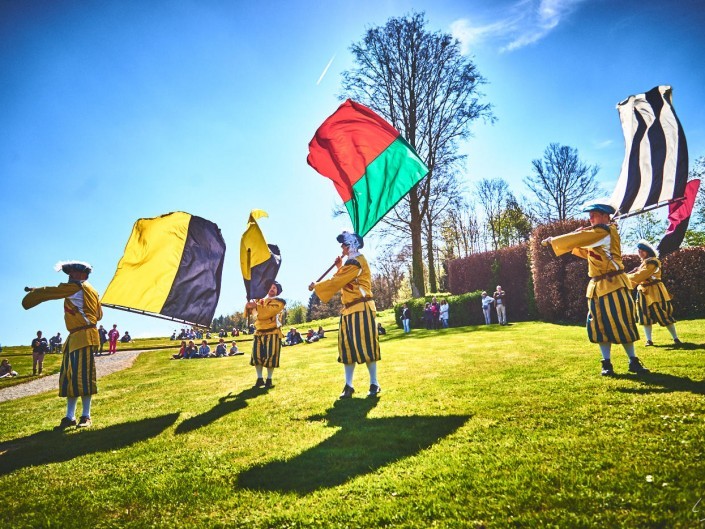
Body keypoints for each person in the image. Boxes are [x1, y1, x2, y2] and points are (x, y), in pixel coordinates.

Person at [542, 201, 648, 376]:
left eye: (595, 214)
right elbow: (586, 251)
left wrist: (554, 240)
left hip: (613, 285)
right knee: (598, 326)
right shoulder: (599, 235)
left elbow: (582, 240)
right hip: (597, 287)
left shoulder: (604, 231)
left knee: (621, 322)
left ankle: (633, 361)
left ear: (606, 216)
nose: (590, 218)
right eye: (590, 215)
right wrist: (574, 242)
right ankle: (606, 363)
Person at [22, 260, 103, 429]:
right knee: (70, 378)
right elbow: (99, 314)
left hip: (83, 337)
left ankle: (86, 416)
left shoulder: (76, 288)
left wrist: (33, 294)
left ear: (82, 275)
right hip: (75, 338)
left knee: (83, 378)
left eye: (72, 272)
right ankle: (69, 416)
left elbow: (51, 292)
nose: (69, 276)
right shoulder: (93, 291)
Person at [309, 231, 381, 399]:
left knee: (367, 346)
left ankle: (374, 383)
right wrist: (340, 267)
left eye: (344, 244)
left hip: (361, 308)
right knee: (347, 349)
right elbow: (347, 280)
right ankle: (348, 386)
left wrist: (317, 286)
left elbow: (338, 281)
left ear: (351, 246)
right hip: (348, 310)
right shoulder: (350, 263)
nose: (341, 247)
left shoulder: (356, 262)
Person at [627, 239, 682, 347]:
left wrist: (623, 278)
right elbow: (639, 275)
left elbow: (642, 275)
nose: (640, 252)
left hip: (655, 291)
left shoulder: (652, 261)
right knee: (644, 316)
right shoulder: (644, 263)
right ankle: (649, 340)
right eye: (639, 250)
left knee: (663, 313)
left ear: (648, 251)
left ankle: (675, 338)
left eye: (642, 250)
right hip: (643, 291)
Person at [245, 280, 286, 389]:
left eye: (274, 287)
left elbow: (267, 312)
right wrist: (250, 306)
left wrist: (256, 305)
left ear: (277, 291)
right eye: (270, 287)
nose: (272, 289)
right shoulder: (260, 301)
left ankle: (269, 379)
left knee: (270, 357)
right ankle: (259, 379)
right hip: (259, 332)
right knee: (256, 355)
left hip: (272, 332)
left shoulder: (279, 302)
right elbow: (256, 315)